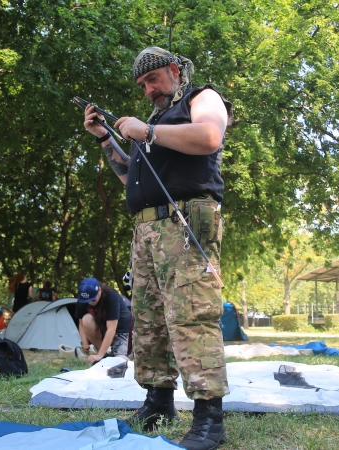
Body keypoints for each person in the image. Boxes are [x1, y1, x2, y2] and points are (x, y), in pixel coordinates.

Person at [82, 46, 230, 449]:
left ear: (173, 69)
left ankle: (208, 419)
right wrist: (105, 137)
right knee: (148, 322)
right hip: (147, 230)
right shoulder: (155, 123)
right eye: (142, 85)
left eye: (153, 79)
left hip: (186, 221)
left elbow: (210, 135)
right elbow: (132, 176)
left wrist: (145, 131)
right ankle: (158, 401)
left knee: (192, 315)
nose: (148, 90)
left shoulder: (201, 99)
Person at [74, 277, 132, 364]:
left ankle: (104, 355)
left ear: (99, 290)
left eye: (93, 299)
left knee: (120, 362)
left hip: (123, 332)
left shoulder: (111, 296)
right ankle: (105, 355)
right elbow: (81, 324)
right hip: (104, 331)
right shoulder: (83, 299)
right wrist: (85, 344)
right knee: (86, 319)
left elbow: (111, 329)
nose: (90, 302)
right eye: (87, 300)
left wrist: (99, 355)